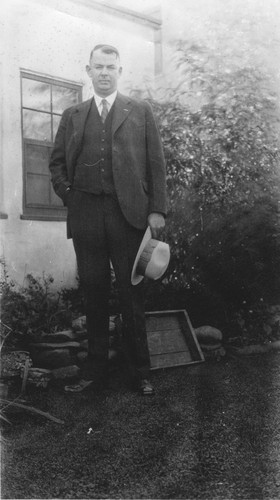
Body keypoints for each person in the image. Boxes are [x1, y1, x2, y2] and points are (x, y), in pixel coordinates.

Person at [49, 44, 166, 395]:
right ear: (88, 71)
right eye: (98, 67)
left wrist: (157, 209)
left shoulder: (140, 110)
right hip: (86, 215)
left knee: (132, 295)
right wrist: (70, 196)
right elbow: (56, 163)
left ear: (119, 70)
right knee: (94, 293)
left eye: (110, 67)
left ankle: (141, 373)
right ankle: (94, 373)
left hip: (127, 214)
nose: (104, 72)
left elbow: (156, 163)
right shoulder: (72, 114)